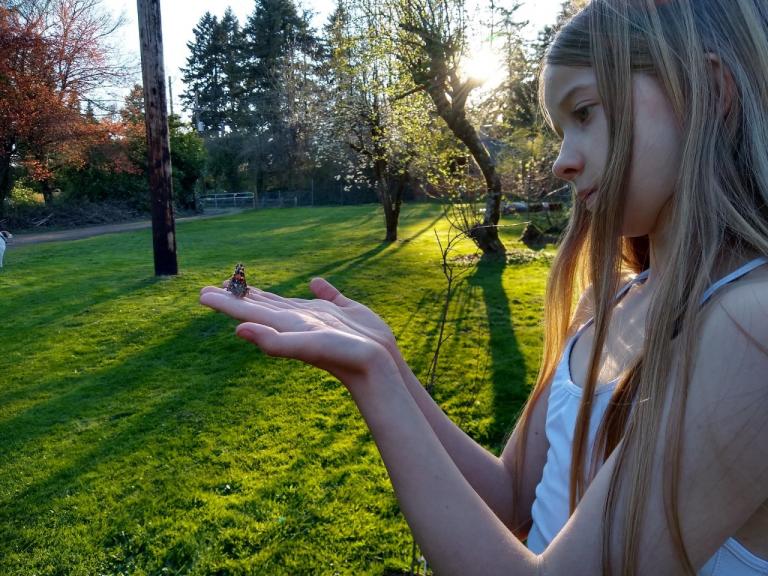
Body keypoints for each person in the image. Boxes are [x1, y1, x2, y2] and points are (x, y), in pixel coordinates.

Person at [200, 0, 768, 573]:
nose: (561, 163)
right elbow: (511, 496)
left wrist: (374, 382)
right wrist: (387, 360)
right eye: (559, 130)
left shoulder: (753, 325)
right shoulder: (612, 299)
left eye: (585, 112)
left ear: (708, 94)